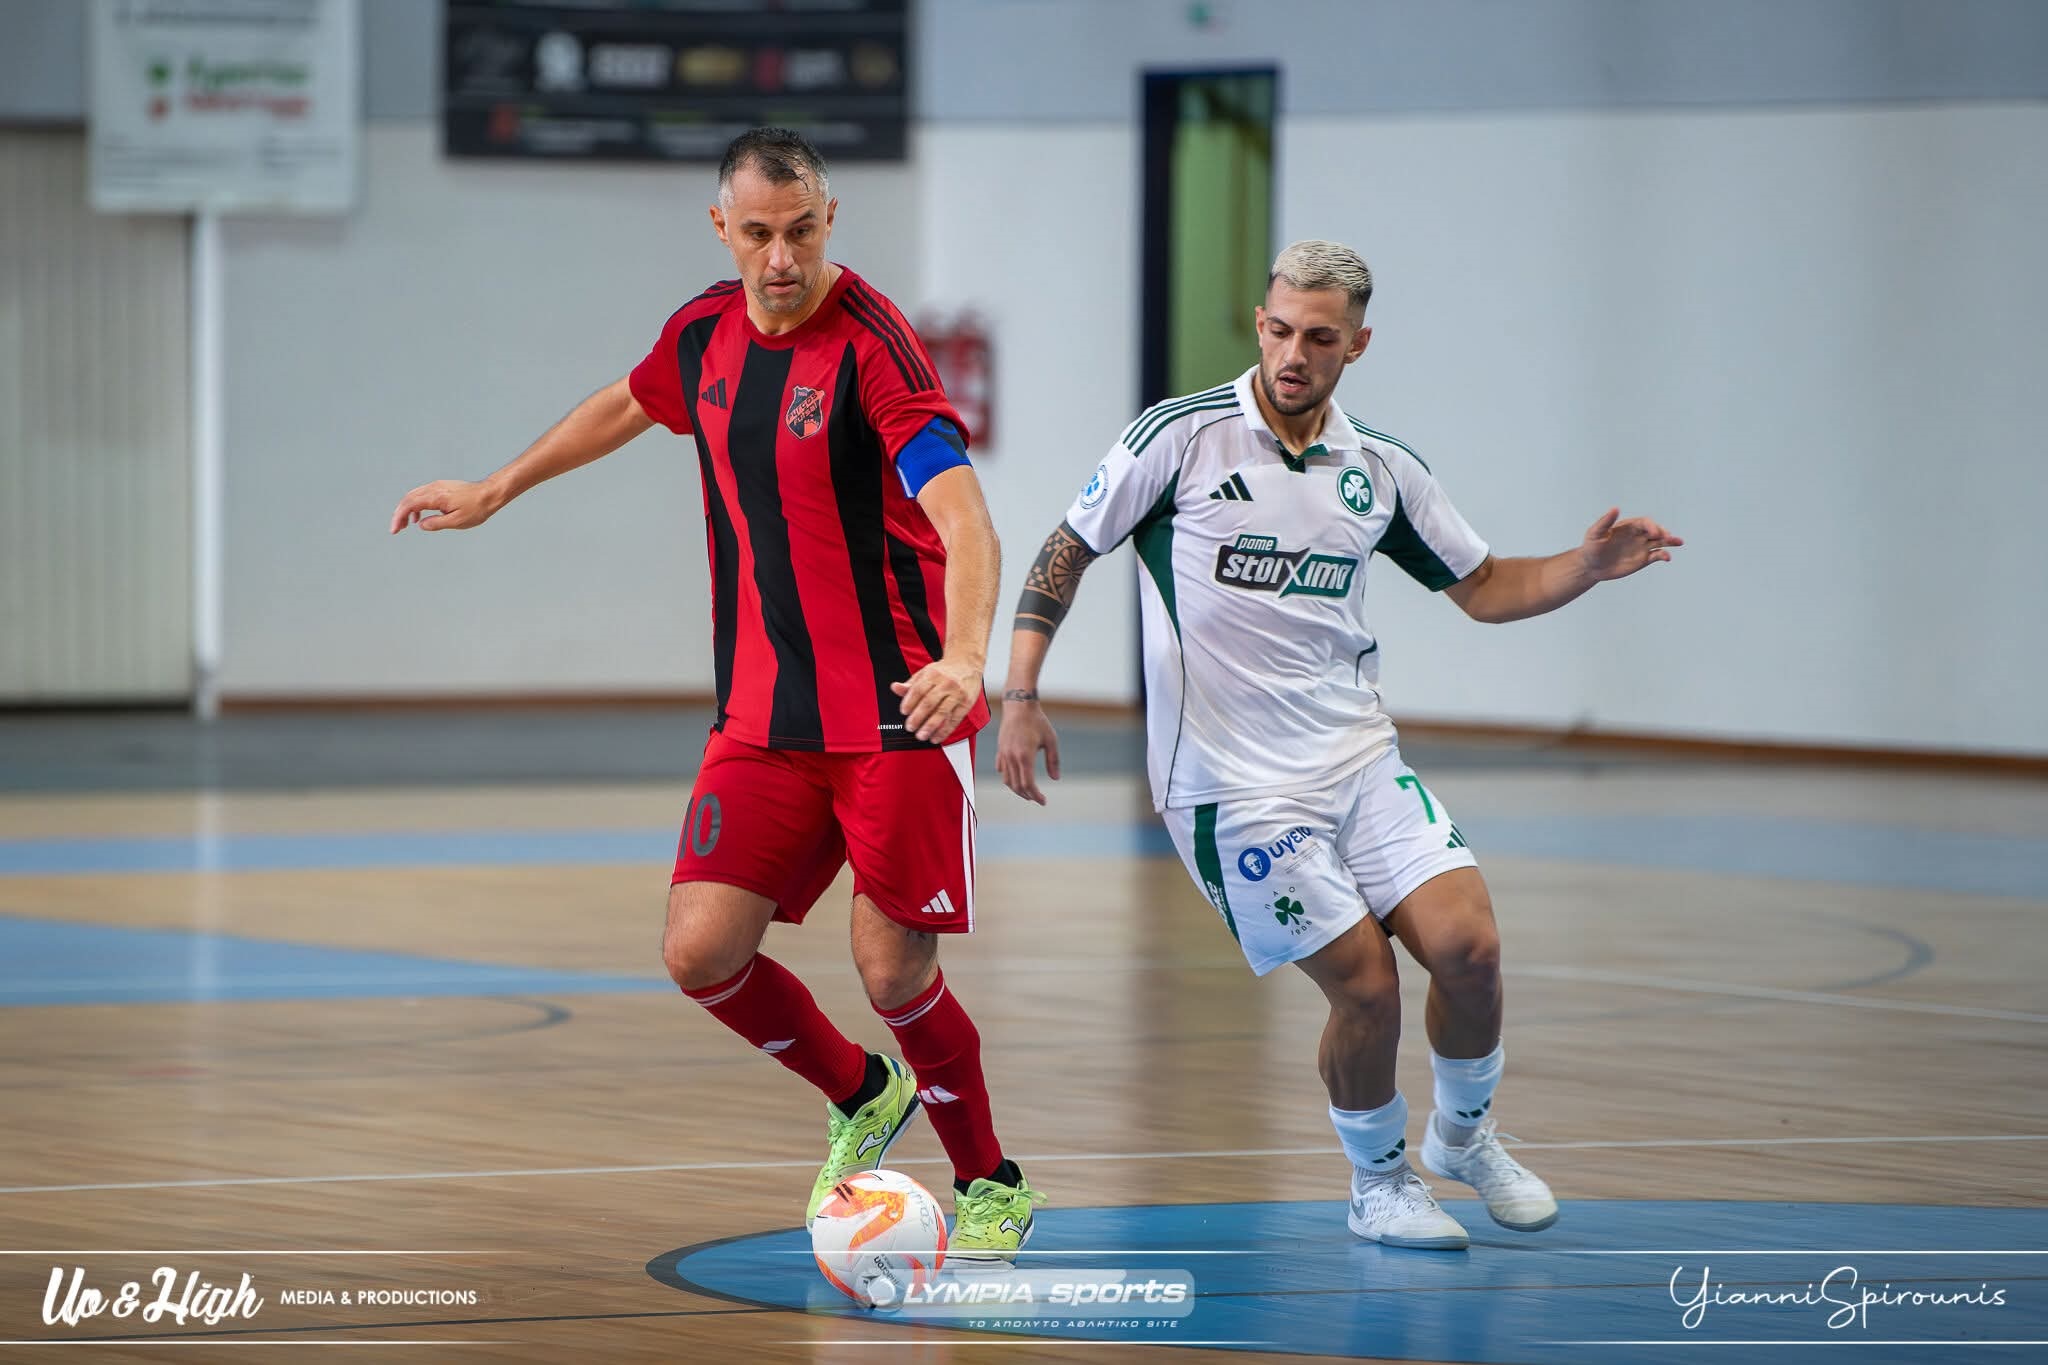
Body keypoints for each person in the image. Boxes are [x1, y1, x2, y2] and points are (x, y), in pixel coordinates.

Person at [389, 127, 1042, 1261]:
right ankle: (862, 1093)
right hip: (764, 715)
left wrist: (964, 657)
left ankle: (991, 1182)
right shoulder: (702, 333)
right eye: (757, 234)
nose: (780, 258)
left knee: (892, 969)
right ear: (721, 228)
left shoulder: (877, 351)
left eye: (800, 231)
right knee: (700, 951)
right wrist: (499, 486)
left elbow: (966, 521)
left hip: (898, 710)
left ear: (830, 221)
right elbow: (628, 401)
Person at [996, 239, 1680, 1249]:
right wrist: (1019, 693)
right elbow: (1065, 548)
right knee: (1365, 984)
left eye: (1318, 338)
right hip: (1229, 787)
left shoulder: (1381, 469)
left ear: (1356, 345)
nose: (1292, 354)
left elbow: (1485, 586)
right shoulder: (1178, 439)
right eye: (1278, 330)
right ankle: (1379, 1183)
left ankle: (1463, 1137)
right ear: (1259, 323)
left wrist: (1581, 567)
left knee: (1472, 950)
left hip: (1357, 760)